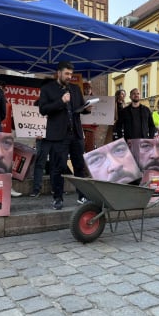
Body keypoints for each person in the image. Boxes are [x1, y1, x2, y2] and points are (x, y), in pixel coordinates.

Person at [38, 61, 91, 210]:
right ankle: (57, 198)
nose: (69, 77)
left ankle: (82, 196)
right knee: (58, 167)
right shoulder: (48, 89)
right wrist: (61, 101)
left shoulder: (75, 89)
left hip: (76, 134)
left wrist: (87, 108)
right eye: (66, 74)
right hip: (58, 136)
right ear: (59, 73)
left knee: (80, 167)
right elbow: (43, 109)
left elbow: (79, 108)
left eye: (71, 74)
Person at [0, 80, 22, 197]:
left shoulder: (7, 103)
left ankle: (8, 189)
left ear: (5, 90)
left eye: (1, 88)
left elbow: (13, 123)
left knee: (6, 164)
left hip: (6, 137)